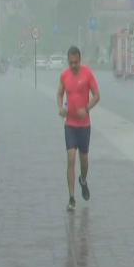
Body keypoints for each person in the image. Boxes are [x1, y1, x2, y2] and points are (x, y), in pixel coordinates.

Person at [57, 46, 100, 211]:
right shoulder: (64, 75)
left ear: (79, 60)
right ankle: (71, 198)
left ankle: (83, 179)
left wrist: (87, 108)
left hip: (84, 125)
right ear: (68, 61)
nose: (73, 65)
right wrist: (61, 107)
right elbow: (59, 93)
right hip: (70, 125)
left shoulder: (87, 74)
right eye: (70, 62)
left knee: (83, 159)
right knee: (70, 158)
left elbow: (97, 96)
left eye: (75, 62)